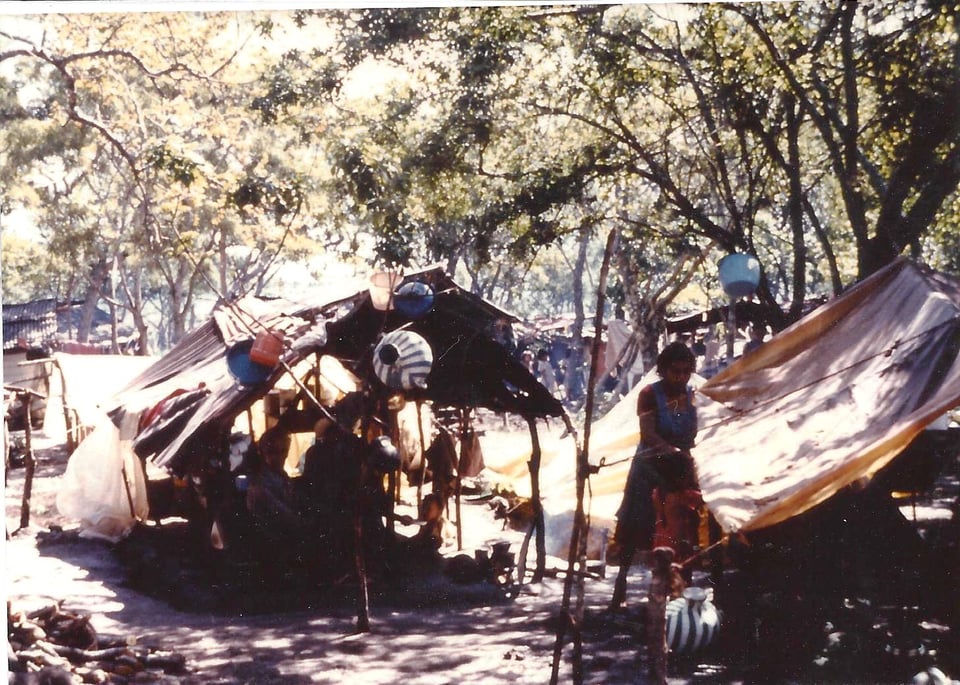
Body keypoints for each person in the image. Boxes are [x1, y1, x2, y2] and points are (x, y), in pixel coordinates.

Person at [609, 341, 699, 610]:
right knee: (635, 526)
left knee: (683, 530)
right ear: (662, 370)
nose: (681, 377)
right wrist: (671, 450)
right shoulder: (649, 393)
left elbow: (694, 429)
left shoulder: (691, 394)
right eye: (675, 371)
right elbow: (648, 434)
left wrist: (685, 454)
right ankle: (620, 587)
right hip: (649, 467)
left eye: (686, 371)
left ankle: (681, 592)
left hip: (680, 467)